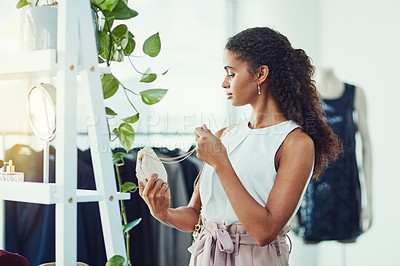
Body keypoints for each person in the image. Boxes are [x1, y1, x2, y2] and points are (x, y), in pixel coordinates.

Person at [138, 27, 342, 266]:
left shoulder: (296, 143)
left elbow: (264, 231)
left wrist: (221, 162)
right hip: (205, 257)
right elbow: (196, 216)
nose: (224, 83)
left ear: (260, 74)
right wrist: (163, 213)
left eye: (231, 74)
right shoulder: (225, 135)